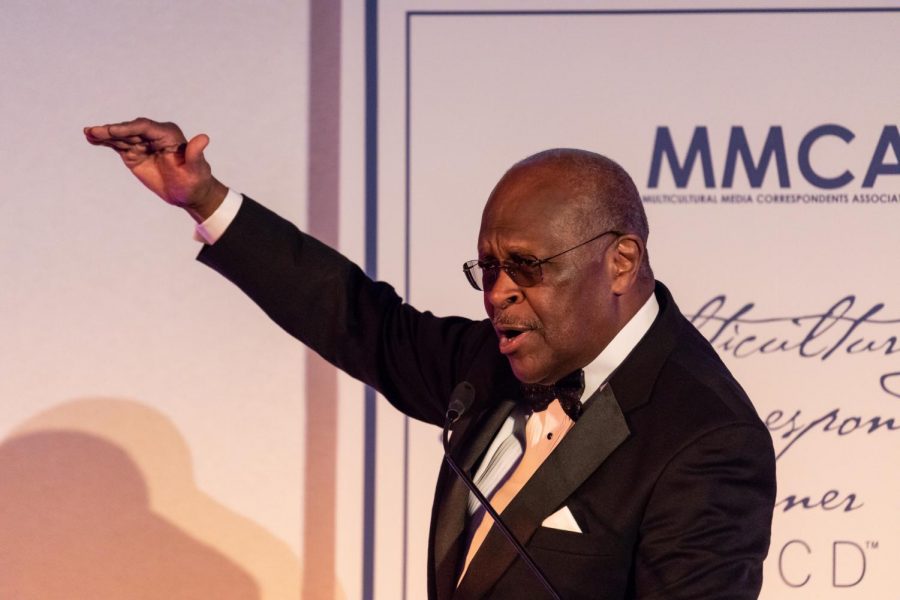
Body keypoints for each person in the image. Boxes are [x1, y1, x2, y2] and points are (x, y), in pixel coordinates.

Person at [85, 118, 776, 599]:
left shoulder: (705, 441)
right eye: (489, 268)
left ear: (620, 261)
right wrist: (203, 198)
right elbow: (362, 321)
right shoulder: (496, 360)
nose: (499, 295)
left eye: (528, 267)